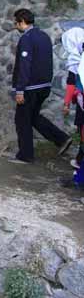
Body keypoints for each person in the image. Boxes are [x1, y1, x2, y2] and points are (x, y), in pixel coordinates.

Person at [9, 8, 71, 164]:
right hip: (44, 86)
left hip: (30, 88)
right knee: (33, 116)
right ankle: (62, 139)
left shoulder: (26, 39)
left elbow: (25, 65)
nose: (16, 26)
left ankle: (25, 155)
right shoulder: (44, 36)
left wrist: (20, 89)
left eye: (16, 23)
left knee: (22, 119)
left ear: (22, 22)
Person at [61, 27, 84, 185]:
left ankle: (79, 175)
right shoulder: (78, 58)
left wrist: (67, 103)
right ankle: (79, 174)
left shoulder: (78, 59)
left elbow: (72, 83)